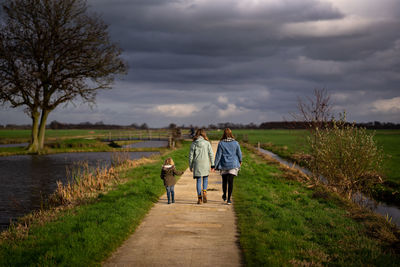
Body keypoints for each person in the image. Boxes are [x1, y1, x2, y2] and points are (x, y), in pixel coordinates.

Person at [214, 128, 242, 205]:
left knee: (224, 181)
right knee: (231, 182)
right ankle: (229, 199)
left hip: (224, 164)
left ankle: (224, 195)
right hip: (233, 164)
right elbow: (239, 153)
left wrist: (215, 165)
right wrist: (240, 161)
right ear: (231, 134)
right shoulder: (236, 143)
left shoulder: (221, 143)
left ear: (224, 134)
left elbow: (218, 155)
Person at [189, 129, 214, 204]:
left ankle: (199, 198)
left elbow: (191, 156)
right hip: (205, 163)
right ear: (204, 134)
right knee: (205, 179)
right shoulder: (207, 143)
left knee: (198, 181)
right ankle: (205, 192)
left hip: (197, 164)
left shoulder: (193, 144)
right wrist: (212, 164)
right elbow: (211, 154)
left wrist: (190, 165)